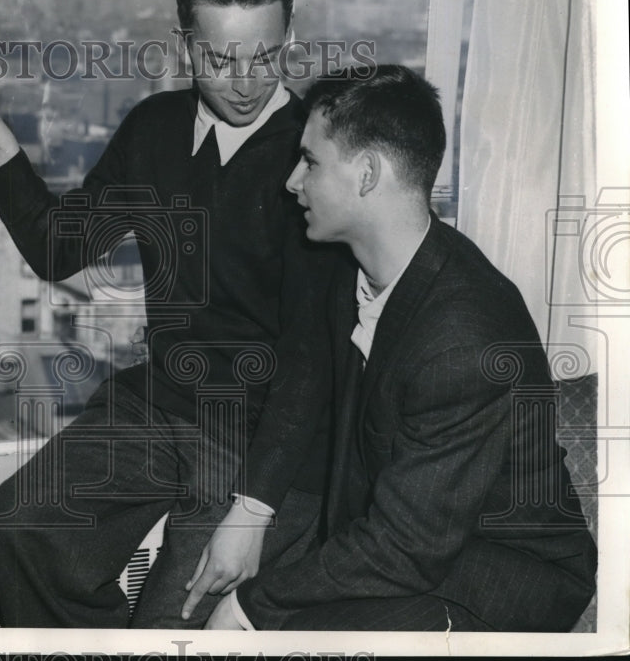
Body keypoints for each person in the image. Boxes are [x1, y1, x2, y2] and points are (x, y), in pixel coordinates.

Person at [0, 0, 330, 628]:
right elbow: (59, 248)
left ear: (290, 36)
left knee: (168, 629)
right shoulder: (155, 129)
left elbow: (316, 363)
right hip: (161, 403)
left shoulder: (319, 152)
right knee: (20, 529)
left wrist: (255, 511)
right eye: (217, 57)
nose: (244, 80)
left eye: (265, 55)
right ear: (183, 46)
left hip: (265, 445)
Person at [198, 65, 597, 631]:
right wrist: (252, 513)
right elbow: (306, 383)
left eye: (310, 161)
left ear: (366, 174)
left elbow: (407, 547)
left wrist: (250, 606)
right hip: (422, 549)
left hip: (500, 578)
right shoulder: (352, 271)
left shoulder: (464, 334)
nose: (293, 181)